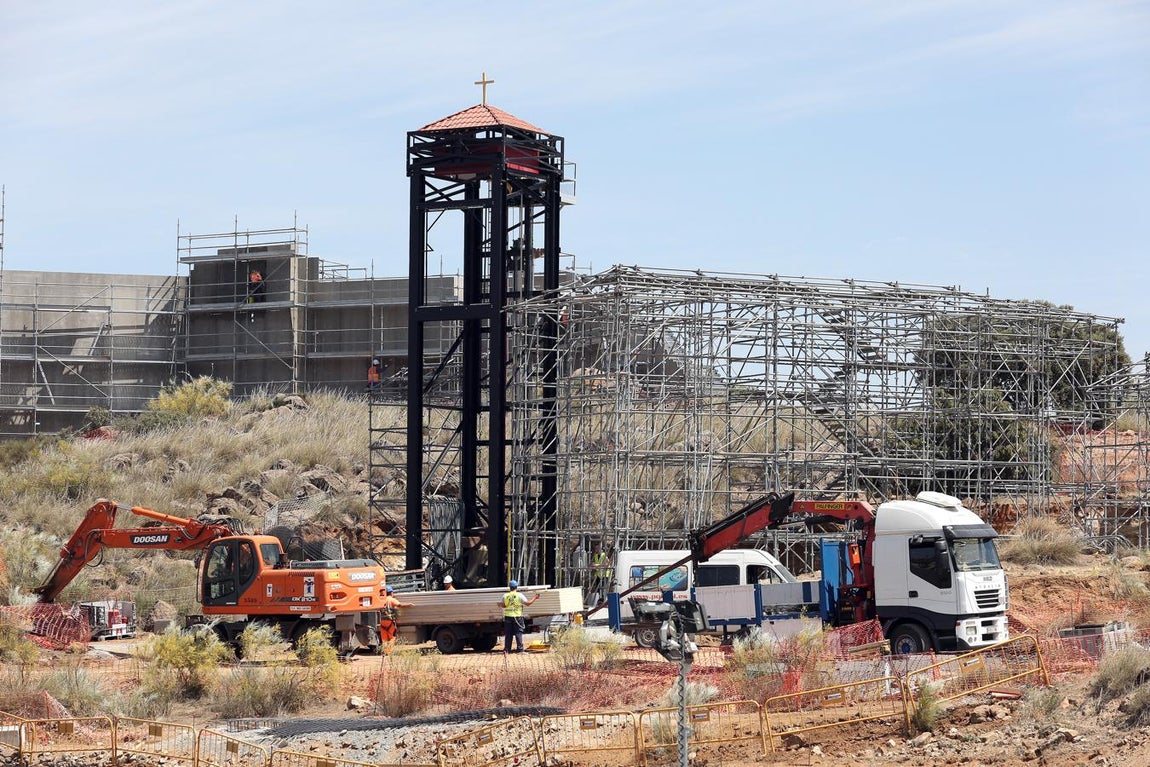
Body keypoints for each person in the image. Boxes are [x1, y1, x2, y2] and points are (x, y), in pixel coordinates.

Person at [498, 580, 538, 654]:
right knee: (518, 633)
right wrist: (535, 598)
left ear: (509, 587)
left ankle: (507, 650)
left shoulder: (505, 595)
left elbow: (503, 605)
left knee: (508, 634)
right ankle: (520, 650)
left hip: (508, 617)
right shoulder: (520, 595)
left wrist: (500, 604)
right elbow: (528, 603)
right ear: (516, 587)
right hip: (517, 616)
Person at [379, 585, 414, 656]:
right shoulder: (392, 600)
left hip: (382, 621)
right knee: (392, 637)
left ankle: (384, 652)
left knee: (384, 639)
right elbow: (400, 605)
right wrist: (409, 605)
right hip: (390, 621)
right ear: (391, 592)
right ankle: (388, 652)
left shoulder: (381, 600)